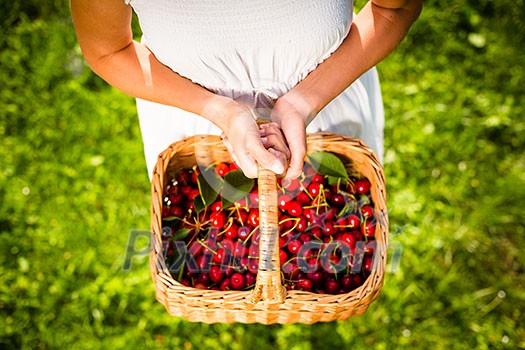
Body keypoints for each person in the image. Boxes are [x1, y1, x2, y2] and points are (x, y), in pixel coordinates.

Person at [70, 0, 422, 186]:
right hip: (193, 115)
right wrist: (222, 111)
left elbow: (395, 9)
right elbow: (108, 51)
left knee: (338, 217)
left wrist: (304, 100)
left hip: (328, 96)